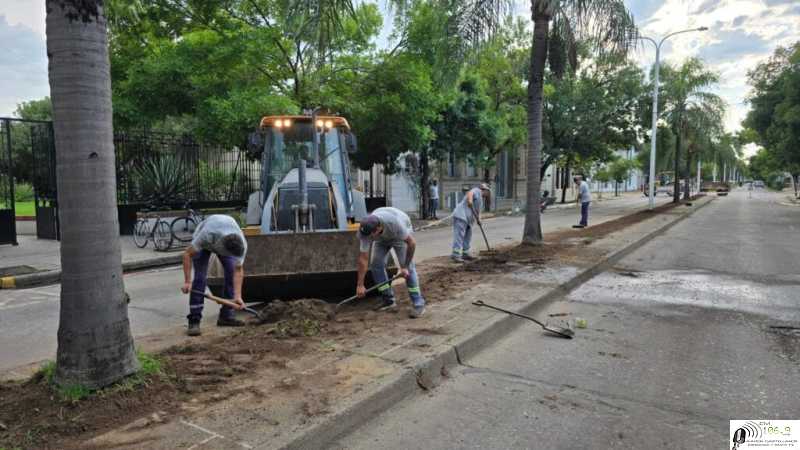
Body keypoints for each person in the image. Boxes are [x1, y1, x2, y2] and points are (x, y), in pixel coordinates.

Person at [180, 214, 248, 336]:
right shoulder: (206, 235)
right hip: (207, 241)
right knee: (200, 278)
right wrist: (187, 281)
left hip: (225, 232)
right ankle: (194, 320)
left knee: (231, 270)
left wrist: (238, 296)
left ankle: (226, 316)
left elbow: (238, 270)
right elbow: (187, 254)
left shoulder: (241, 245)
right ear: (222, 248)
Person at [356, 207, 426, 318]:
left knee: (408, 269)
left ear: (378, 229)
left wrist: (405, 267)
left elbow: (411, 243)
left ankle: (418, 303)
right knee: (376, 264)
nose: (367, 239)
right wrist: (360, 285)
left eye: (370, 236)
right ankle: (388, 299)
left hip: (398, 235)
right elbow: (363, 259)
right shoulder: (365, 231)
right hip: (381, 239)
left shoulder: (395, 223)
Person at [451, 183, 491, 263]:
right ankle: (456, 255)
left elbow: (478, 212)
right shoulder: (477, 190)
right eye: (488, 192)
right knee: (459, 236)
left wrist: (479, 220)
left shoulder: (480, 200)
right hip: (461, 216)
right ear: (485, 190)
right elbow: (470, 193)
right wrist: (470, 200)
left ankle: (465, 253)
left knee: (468, 236)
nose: (488, 194)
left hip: (468, 220)